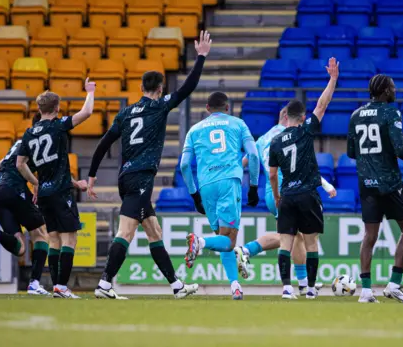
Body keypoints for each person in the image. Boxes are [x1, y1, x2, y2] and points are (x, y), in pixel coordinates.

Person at [87, 31, 212, 300]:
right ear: (159, 89)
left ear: (141, 88)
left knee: (153, 229)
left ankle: (177, 286)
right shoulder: (159, 106)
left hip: (126, 176)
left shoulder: (125, 113)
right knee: (126, 231)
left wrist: (92, 175)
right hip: (141, 177)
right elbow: (188, 88)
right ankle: (105, 284)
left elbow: (103, 144)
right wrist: (200, 57)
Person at [0, 113, 88, 296]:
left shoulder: (22, 140)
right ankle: (34, 283)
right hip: (15, 189)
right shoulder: (40, 140)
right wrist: (73, 184)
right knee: (41, 234)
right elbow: (47, 172)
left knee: (20, 248)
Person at [235, 105, 337, 296]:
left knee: (295, 237)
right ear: (287, 116)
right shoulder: (291, 134)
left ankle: (303, 283)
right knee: (288, 238)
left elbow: (245, 161)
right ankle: (247, 249)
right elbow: (305, 164)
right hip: (288, 189)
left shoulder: (264, 138)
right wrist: (325, 185)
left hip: (272, 193)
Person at [15, 80, 96, 299]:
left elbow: (19, 163)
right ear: (57, 108)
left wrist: (35, 182)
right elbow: (87, 111)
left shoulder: (29, 133)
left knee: (53, 239)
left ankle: (57, 286)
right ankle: (61, 286)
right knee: (70, 238)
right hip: (61, 191)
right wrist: (90, 92)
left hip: (44, 194)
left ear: (39, 109)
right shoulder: (59, 125)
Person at [346, 74, 403, 304]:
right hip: (390, 183)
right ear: (386, 91)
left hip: (366, 183)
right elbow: (399, 147)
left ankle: (366, 291)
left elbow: (351, 152)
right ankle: (394, 285)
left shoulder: (355, 114)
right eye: (393, 87)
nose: (395, 90)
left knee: (369, 235)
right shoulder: (391, 112)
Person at [267, 57, 339, 300]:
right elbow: (322, 104)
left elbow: (272, 173)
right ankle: (309, 289)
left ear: (285, 117)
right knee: (310, 244)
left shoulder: (275, 141)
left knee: (285, 243)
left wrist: (277, 195)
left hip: (287, 196)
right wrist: (332, 79)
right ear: (303, 116)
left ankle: (287, 288)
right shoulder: (307, 130)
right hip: (308, 194)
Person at [180, 91, 260, 300]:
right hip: (228, 183)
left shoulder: (194, 130)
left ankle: (235, 286)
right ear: (227, 108)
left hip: (206, 186)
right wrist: (253, 186)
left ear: (207, 109)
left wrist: (194, 195)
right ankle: (200, 243)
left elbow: (185, 165)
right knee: (229, 240)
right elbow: (253, 155)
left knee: (222, 238)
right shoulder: (238, 124)